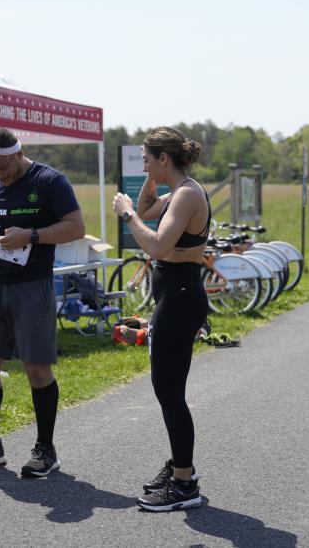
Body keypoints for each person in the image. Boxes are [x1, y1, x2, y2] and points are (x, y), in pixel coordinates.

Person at [0, 126, 85, 477]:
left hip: (32, 286)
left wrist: (31, 235)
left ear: (17, 153)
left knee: (36, 368)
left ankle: (45, 449)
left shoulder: (49, 181)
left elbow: (76, 227)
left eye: (3, 167)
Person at [112, 126, 210, 512]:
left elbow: (155, 244)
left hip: (181, 298)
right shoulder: (178, 191)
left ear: (164, 158)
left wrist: (126, 214)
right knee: (167, 390)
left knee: (170, 393)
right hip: (175, 296)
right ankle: (181, 467)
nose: (143, 166)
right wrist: (151, 181)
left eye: (147, 160)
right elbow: (149, 208)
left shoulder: (187, 195)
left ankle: (184, 484)